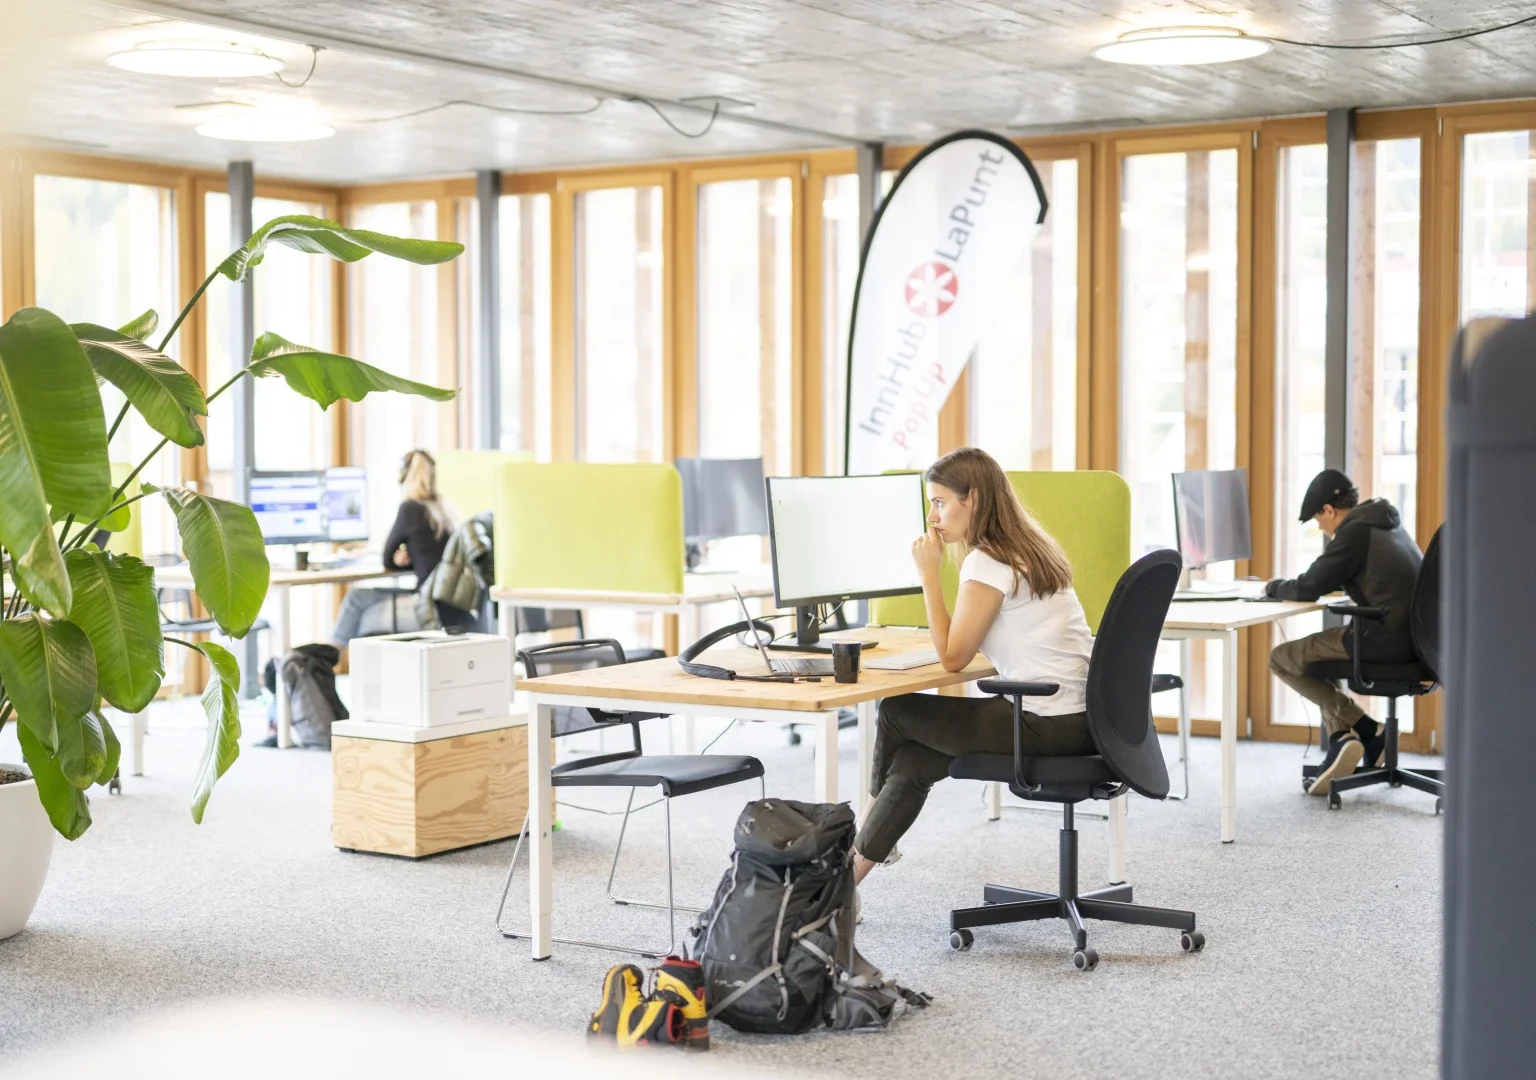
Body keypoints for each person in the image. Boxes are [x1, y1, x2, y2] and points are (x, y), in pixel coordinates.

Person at [852, 447, 1095, 889]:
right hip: (1082, 719)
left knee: (895, 711)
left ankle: (860, 831)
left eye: (940, 502)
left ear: (974, 499)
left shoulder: (987, 560)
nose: (932, 517)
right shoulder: (1032, 547)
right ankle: (846, 886)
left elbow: (952, 659)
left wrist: (929, 575)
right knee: (913, 761)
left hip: (1043, 723)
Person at [1265, 468, 1422, 796]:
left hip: (1384, 638)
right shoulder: (1384, 522)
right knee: (1318, 658)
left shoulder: (1353, 532)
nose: (1321, 529)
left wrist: (1273, 587)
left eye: (1317, 520)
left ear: (1329, 510)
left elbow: (1309, 586)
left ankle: (1366, 729)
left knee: (1282, 658)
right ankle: (1342, 738)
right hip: (1418, 640)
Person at [329, 449, 455, 651]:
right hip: (449, 605)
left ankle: (329, 658)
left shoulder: (410, 508)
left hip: (426, 606)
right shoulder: (444, 509)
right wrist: (412, 556)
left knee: (355, 599)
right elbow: (432, 557)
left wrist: (398, 558)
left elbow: (387, 559)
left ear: (404, 478)